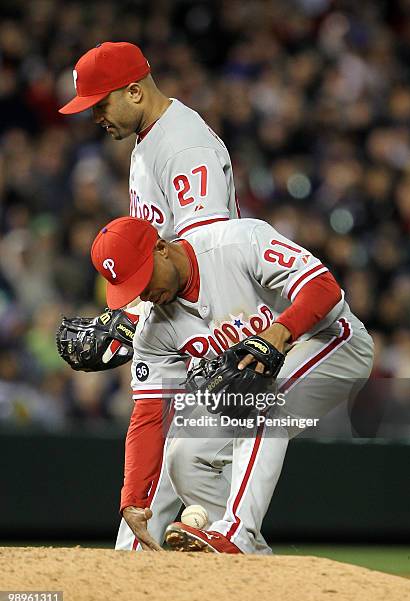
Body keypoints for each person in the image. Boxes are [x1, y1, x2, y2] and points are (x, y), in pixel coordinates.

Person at [91, 215, 374, 554]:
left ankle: (236, 535)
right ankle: (250, 562)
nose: (145, 294)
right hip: (261, 379)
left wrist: (280, 331)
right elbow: (149, 414)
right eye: (132, 289)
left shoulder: (237, 242)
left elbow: (324, 288)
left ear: (162, 248)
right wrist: (133, 498)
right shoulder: (154, 329)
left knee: (262, 400)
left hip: (334, 341)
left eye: (143, 278)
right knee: (186, 456)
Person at [59, 41, 240, 551]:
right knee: (157, 503)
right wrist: (132, 314)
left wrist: (132, 322)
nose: (94, 115)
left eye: (100, 103)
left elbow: (202, 257)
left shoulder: (183, 147)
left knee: (170, 489)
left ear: (135, 91)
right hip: (188, 334)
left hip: (215, 335)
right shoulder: (150, 141)